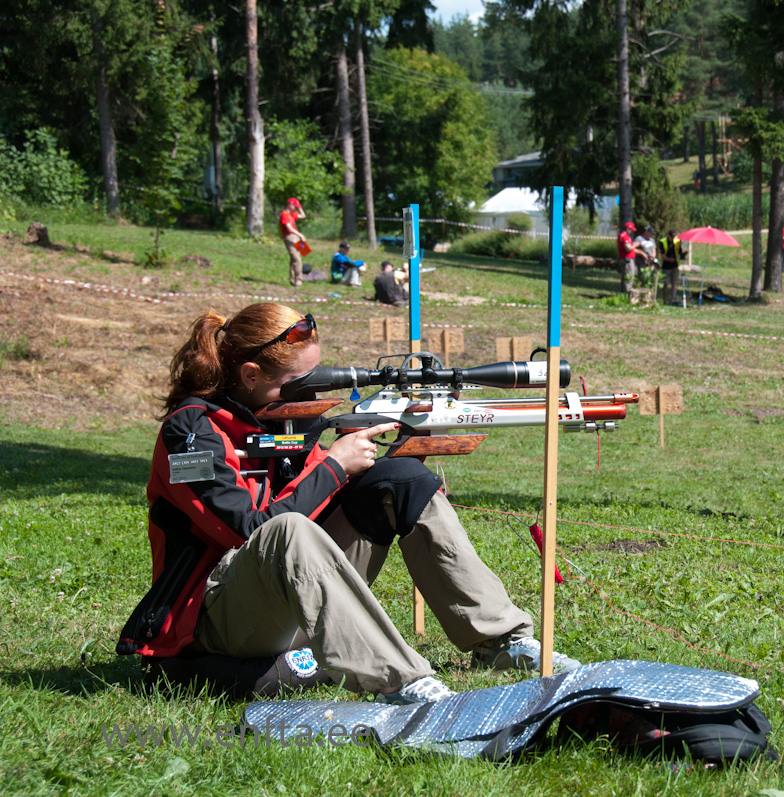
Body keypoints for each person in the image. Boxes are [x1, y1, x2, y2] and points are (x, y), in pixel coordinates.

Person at [116, 303, 581, 705]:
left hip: (290, 602)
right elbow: (251, 530)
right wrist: (335, 466)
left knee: (400, 481)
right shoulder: (189, 435)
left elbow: (319, 498)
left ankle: (500, 641)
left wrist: (386, 448)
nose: (313, 394)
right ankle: (405, 680)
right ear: (251, 375)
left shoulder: (285, 423)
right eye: (300, 384)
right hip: (212, 622)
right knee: (287, 532)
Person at [279, 198, 308, 288]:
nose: (295, 208)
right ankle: (299, 279)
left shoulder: (292, 214)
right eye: (294, 206)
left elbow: (303, 215)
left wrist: (299, 207)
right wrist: (301, 235)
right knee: (296, 259)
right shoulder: (285, 215)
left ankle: (293, 279)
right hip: (290, 237)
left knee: (296, 258)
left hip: (296, 238)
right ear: (289, 205)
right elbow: (289, 228)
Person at [658, 228, 686, 306]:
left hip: (675, 265)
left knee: (674, 282)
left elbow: (679, 252)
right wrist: (669, 259)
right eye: (671, 236)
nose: (672, 238)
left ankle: (672, 299)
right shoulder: (663, 242)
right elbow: (662, 255)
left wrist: (683, 255)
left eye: (674, 237)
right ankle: (664, 298)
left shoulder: (677, 241)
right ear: (668, 235)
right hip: (666, 265)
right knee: (666, 283)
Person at [617, 221, 638, 294]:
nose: (632, 231)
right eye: (631, 230)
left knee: (626, 277)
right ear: (628, 229)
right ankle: (627, 294)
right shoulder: (624, 236)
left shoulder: (626, 236)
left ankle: (624, 294)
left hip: (627, 260)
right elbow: (628, 248)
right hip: (627, 261)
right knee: (629, 277)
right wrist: (635, 244)